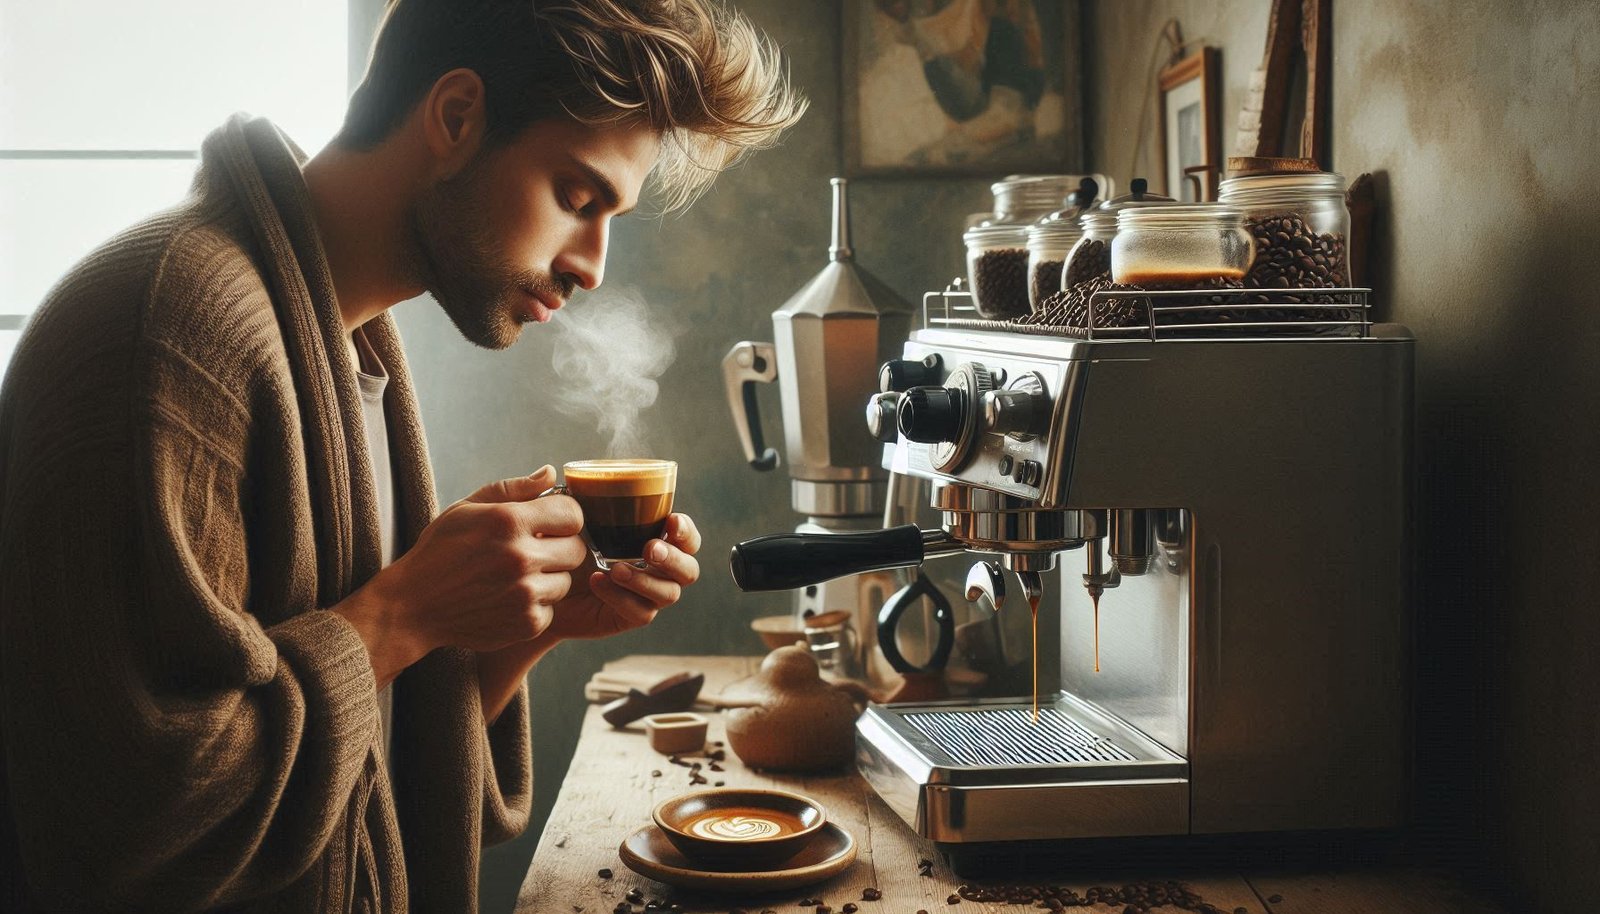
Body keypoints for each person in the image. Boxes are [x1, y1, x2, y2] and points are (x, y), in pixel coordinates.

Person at [0, 0, 804, 910]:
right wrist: (403, 614)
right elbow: (121, 822)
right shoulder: (177, 335)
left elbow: (362, 738)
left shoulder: (348, 339)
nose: (592, 265)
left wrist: (516, 632)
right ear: (458, 118)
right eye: (578, 199)